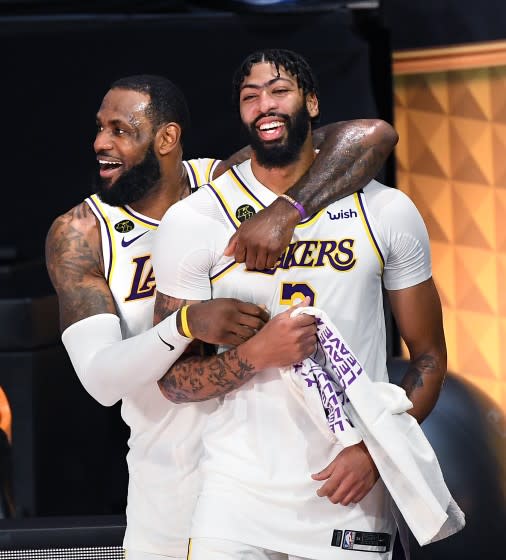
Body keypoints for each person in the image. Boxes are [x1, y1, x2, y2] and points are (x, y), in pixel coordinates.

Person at [45, 73, 398, 560]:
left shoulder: (223, 185)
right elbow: (101, 382)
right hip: (168, 487)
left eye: (120, 130)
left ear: (167, 138)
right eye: (100, 128)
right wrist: (184, 325)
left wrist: (287, 209)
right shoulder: (81, 233)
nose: (100, 143)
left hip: (263, 478)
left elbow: (372, 134)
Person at [152, 49, 448, 560]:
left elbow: (429, 356)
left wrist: (377, 453)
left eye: (279, 91)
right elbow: (173, 382)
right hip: (235, 491)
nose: (264, 105)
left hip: (349, 482)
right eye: (250, 97)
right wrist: (255, 355)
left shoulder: (386, 210)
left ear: (311, 102)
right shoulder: (195, 219)